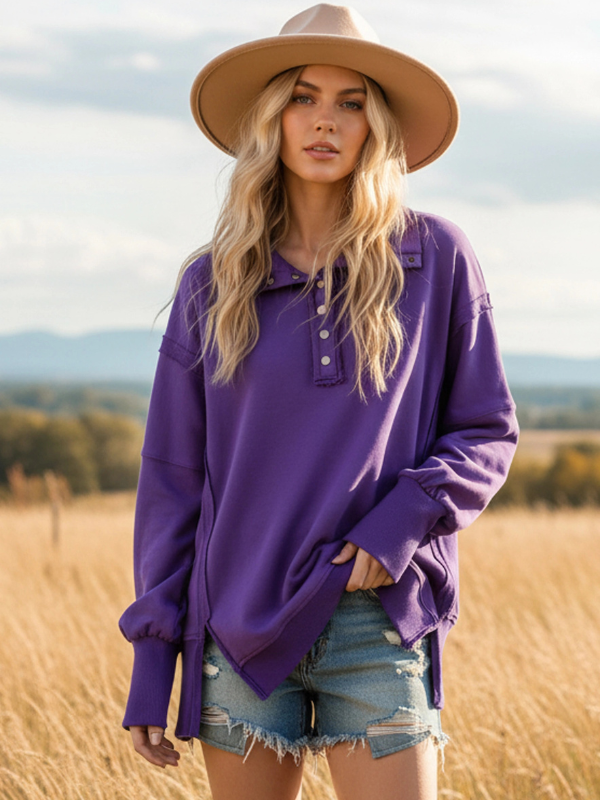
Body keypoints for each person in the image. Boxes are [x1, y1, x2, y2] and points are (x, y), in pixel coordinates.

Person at [118, 5, 519, 799]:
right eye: (303, 97)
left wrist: (399, 525)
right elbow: (173, 479)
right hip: (234, 630)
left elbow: (486, 430)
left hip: (374, 622)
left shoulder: (434, 257)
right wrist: (153, 654)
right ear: (273, 117)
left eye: (351, 101)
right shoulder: (215, 281)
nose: (325, 121)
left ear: (378, 125)